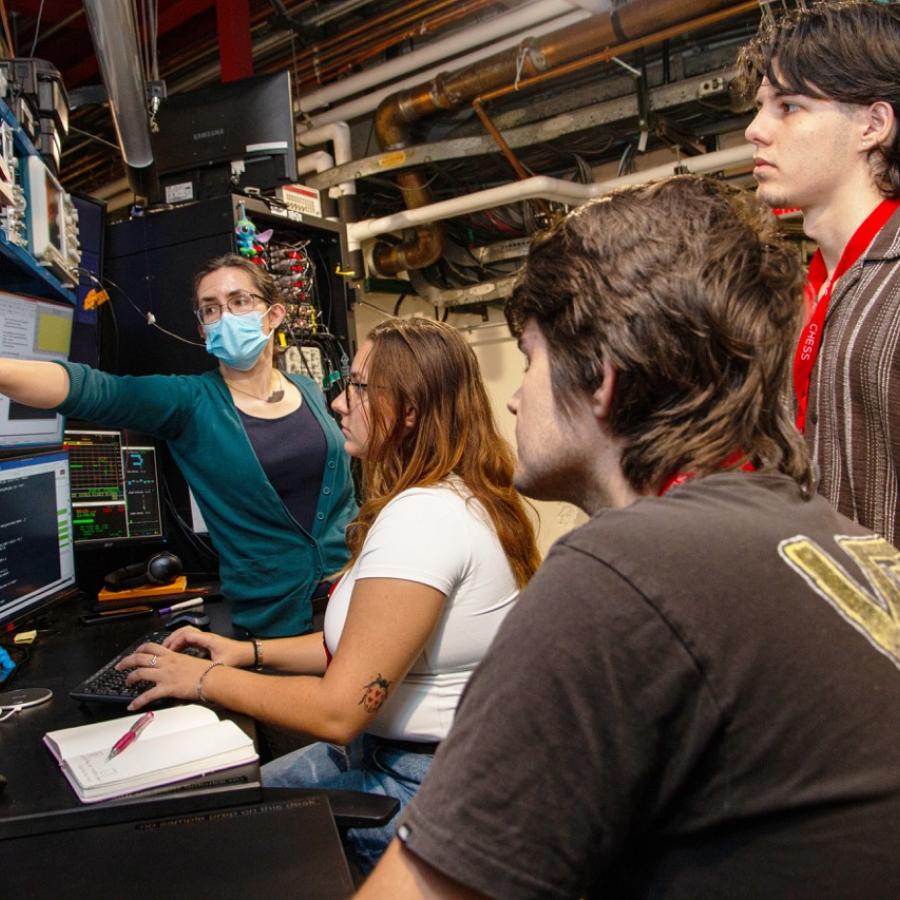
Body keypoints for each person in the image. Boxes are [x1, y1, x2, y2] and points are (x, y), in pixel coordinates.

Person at [358, 176, 900, 899]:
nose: (513, 398)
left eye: (530, 358)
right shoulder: (833, 535)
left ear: (603, 382)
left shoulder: (624, 573)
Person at [116, 316, 541, 872]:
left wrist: (201, 679)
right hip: (408, 761)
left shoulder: (424, 519)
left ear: (409, 411)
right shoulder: (451, 495)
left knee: (200, 836)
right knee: (216, 804)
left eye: (359, 387)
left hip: (418, 786)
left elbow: (340, 709)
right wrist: (247, 653)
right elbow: (364, 648)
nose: (339, 403)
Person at [0, 254, 357, 637]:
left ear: (274, 315)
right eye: (211, 309)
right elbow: (93, 390)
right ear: (203, 329)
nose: (226, 317)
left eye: (239, 301)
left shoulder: (307, 389)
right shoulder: (189, 403)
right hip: (276, 623)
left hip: (356, 594)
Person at [739, 1, 900, 544]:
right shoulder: (800, 293)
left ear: (872, 125)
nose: (755, 130)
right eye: (761, 107)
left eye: (789, 106)